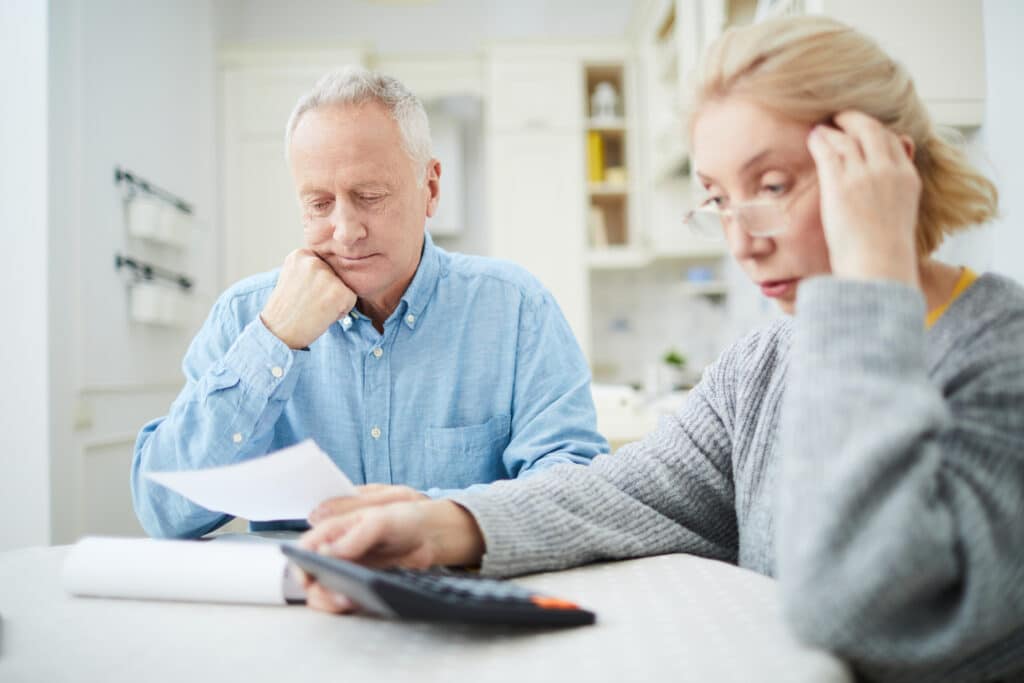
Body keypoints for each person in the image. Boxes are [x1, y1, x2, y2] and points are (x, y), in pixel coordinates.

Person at [297, 16, 1024, 682]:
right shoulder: (762, 363)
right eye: (718, 197)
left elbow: (863, 612)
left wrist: (871, 280)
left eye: (771, 184)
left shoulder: (1001, 351)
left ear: (884, 168)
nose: (743, 237)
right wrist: (440, 523)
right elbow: (620, 490)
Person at [130, 67, 607, 539]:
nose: (345, 231)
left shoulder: (515, 309)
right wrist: (275, 341)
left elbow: (575, 489)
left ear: (431, 189)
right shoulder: (244, 315)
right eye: (319, 204)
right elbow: (164, 512)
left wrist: (443, 520)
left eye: (370, 196)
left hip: (459, 598)